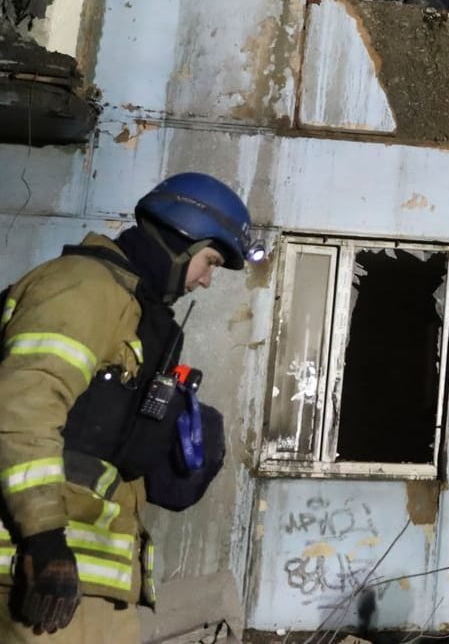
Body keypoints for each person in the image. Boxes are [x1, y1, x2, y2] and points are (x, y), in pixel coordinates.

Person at [1, 173, 257, 644]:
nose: (205, 280)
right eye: (210, 261)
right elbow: (23, 407)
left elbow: (99, 451)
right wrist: (43, 537)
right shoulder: (82, 288)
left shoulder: (134, 314)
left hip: (89, 588)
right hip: (35, 578)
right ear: (180, 239)